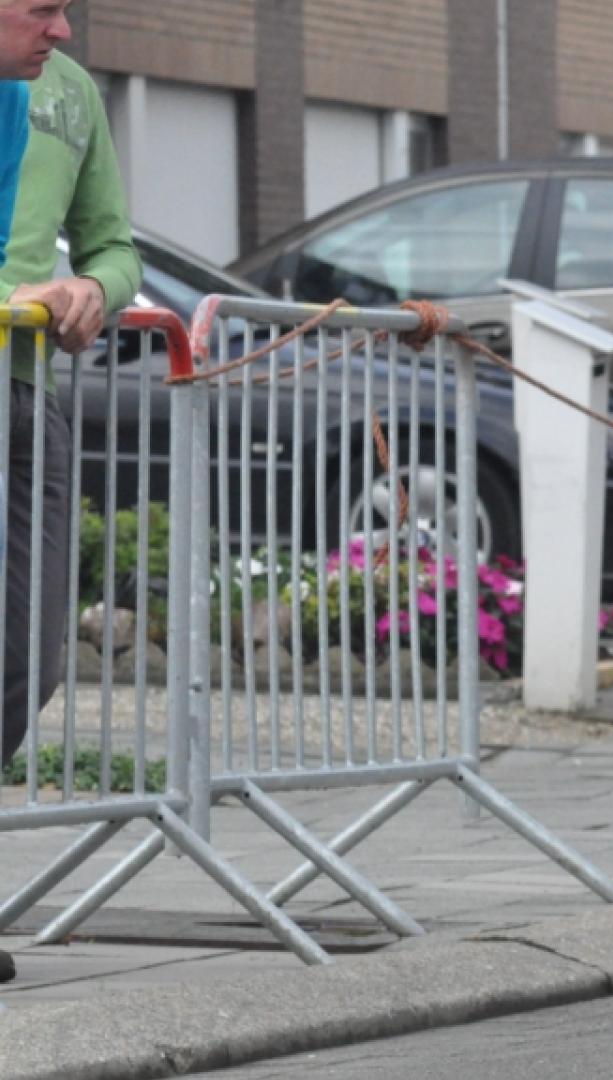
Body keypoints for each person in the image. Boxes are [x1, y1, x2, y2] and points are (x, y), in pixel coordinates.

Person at [0, 0, 87, 990]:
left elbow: (111, 242)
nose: (61, 29)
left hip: (31, 395)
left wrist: (94, 285)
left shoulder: (60, 94)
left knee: (32, 652)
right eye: (42, 7)